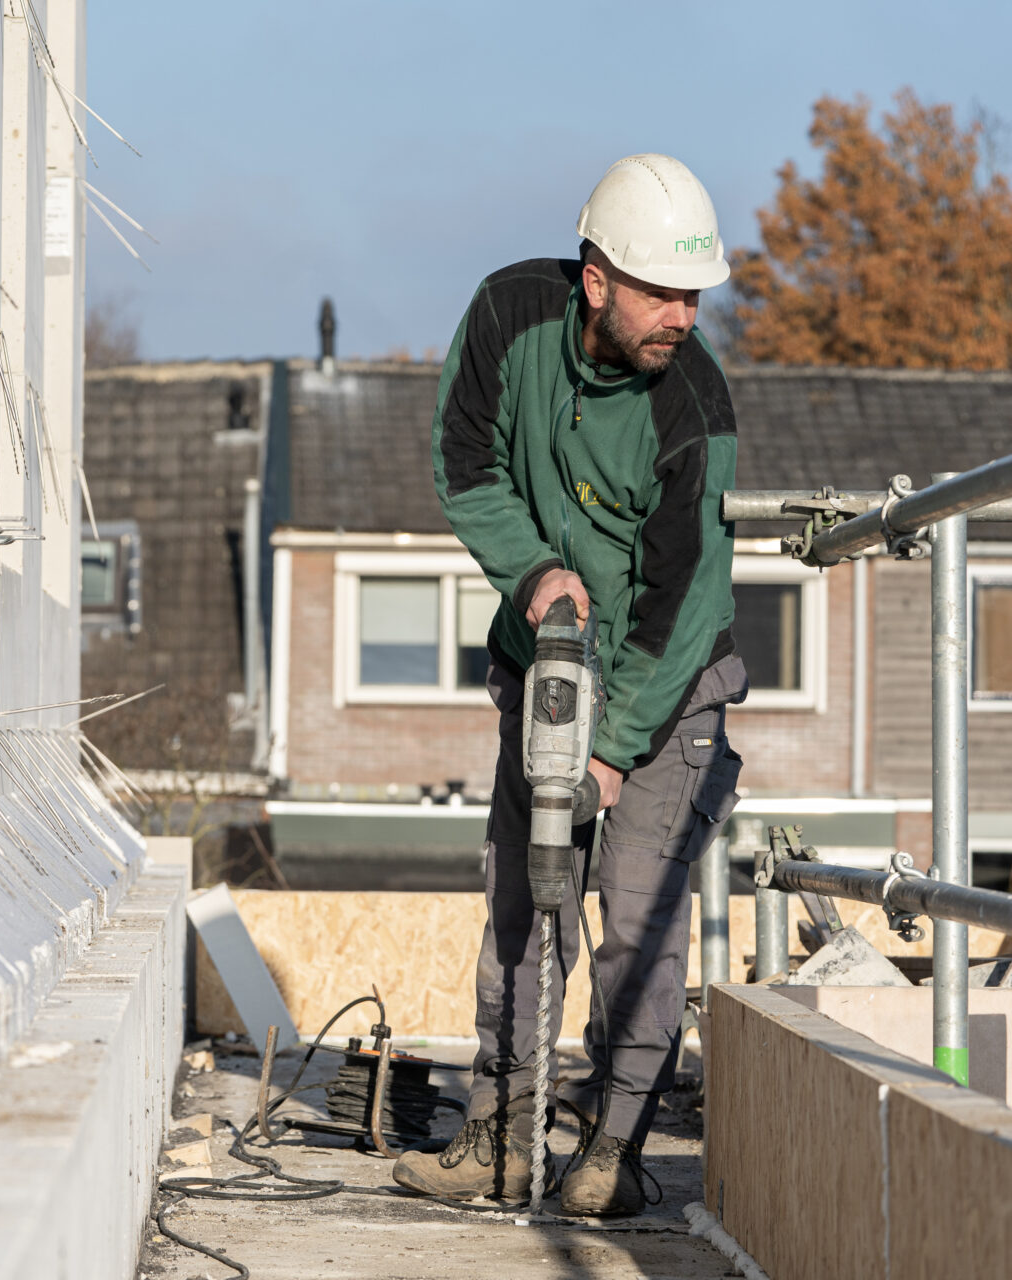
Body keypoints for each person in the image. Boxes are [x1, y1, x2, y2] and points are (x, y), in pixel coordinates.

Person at [393, 154, 748, 1217]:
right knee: (521, 901)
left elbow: (680, 601)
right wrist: (535, 572)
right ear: (596, 280)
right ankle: (501, 1135)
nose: (683, 315)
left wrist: (605, 752)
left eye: (694, 295)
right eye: (661, 292)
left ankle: (612, 1151)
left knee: (634, 919)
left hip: (666, 685)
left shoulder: (694, 407)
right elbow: (465, 463)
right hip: (548, 658)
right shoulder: (508, 317)